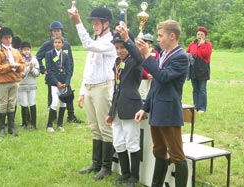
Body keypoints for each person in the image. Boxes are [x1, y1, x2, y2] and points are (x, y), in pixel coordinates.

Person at [135, 20, 189, 187]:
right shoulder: (163, 54)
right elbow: (156, 85)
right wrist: (145, 108)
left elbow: (163, 77)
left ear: (172, 36)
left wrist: (146, 56)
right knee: (158, 150)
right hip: (157, 110)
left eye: (160, 35)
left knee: (177, 155)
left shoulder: (181, 57)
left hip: (169, 113)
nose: (158, 39)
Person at [68, 7, 117, 180]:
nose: (95, 26)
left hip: (103, 87)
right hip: (90, 87)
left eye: (97, 23)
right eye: (93, 23)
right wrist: (82, 91)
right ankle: (96, 163)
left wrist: (78, 22)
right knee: (95, 128)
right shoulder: (97, 40)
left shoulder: (110, 41)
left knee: (105, 128)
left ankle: (106, 166)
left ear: (106, 24)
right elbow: (88, 68)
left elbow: (87, 44)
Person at [105, 25, 142, 187]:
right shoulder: (117, 62)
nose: (120, 51)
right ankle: (124, 174)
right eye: (117, 48)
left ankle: (134, 177)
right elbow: (116, 88)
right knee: (119, 142)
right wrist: (111, 111)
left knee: (132, 143)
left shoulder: (135, 61)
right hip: (118, 108)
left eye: (123, 47)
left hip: (131, 107)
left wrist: (128, 42)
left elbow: (139, 56)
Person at [36, 21, 83, 124]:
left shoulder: (66, 45)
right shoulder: (47, 45)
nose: (56, 33)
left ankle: (71, 115)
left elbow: (70, 61)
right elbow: (37, 57)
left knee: (68, 95)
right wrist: (43, 70)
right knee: (53, 96)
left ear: (61, 31)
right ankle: (52, 117)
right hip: (53, 76)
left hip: (65, 75)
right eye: (54, 31)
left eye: (58, 31)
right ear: (51, 32)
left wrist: (69, 75)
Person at [0, 27, 25, 137]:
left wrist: (19, 66)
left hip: (15, 81)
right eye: (6, 38)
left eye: (10, 38)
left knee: (12, 104)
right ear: (1, 39)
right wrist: (9, 66)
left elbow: (23, 64)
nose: (8, 40)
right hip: (3, 82)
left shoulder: (16, 51)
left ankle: (11, 127)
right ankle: (1, 128)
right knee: (3, 104)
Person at [45, 36, 72, 132]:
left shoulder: (65, 56)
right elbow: (49, 70)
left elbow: (69, 70)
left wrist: (67, 83)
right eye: (55, 42)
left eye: (59, 42)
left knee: (63, 103)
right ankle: (49, 125)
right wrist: (57, 82)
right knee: (55, 102)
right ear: (53, 44)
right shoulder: (49, 54)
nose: (57, 44)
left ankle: (60, 124)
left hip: (64, 83)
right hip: (54, 83)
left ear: (62, 44)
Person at [186, 26, 212, 113]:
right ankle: (196, 106)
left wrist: (201, 45)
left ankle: (202, 108)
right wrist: (189, 56)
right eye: (198, 34)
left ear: (205, 35)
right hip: (193, 69)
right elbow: (187, 53)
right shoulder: (192, 44)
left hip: (203, 69)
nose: (200, 35)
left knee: (202, 89)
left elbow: (206, 55)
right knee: (195, 89)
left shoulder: (208, 44)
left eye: (202, 34)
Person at [18, 41, 40, 130]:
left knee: (32, 103)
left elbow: (37, 73)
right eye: (24, 50)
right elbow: (21, 74)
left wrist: (32, 69)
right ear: (21, 51)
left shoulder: (34, 60)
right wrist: (28, 68)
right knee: (24, 104)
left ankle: (33, 124)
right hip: (22, 85)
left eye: (28, 49)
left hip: (32, 85)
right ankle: (24, 123)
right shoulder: (19, 60)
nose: (26, 51)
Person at [139, 33, 159, 101]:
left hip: (152, 76)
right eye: (146, 42)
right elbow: (140, 65)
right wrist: (146, 74)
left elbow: (156, 64)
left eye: (150, 43)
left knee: (151, 91)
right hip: (144, 77)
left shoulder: (155, 52)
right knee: (143, 92)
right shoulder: (141, 52)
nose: (148, 44)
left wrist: (153, 74)